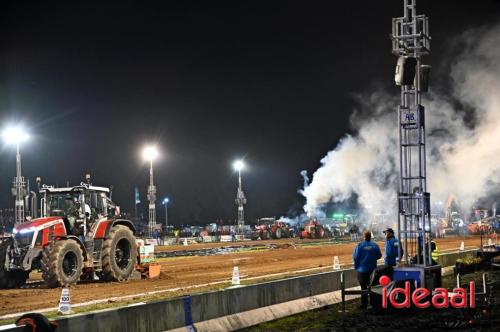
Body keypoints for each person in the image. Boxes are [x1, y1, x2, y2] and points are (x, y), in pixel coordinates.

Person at [353, 230, 382, 310]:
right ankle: (373, 303)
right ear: (370, 236)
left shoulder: (359, 246)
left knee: (363, 287)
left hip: (362, 270)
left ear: (364, 236)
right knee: (373, 286)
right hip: (372, 269)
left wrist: (356, 266)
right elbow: (379, 255)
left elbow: (355, 257)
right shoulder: (375, 245)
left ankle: (364, 304)